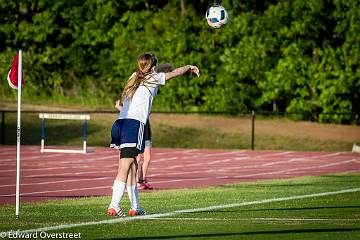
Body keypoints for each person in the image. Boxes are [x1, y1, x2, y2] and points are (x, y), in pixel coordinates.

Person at [107, 53, 200, 217]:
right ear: (152, 67)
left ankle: (136, 207)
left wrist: (159, 67)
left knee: (132, 167)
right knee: (124, 167)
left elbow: (160, 69)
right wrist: (189, 67)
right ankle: (114, 205)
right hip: (134, 124)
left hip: (120, 124)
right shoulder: (153, 78)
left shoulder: (134, 76)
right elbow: (174, 73)